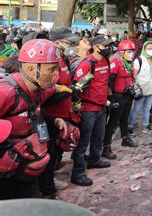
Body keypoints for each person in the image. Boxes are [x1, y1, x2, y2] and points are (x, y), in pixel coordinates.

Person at [0, 39, 70, 199]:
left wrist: (53, 120)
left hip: (25, 168)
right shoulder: (5, 92)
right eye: (52, 69)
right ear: (32, 69)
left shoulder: (40, 89)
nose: (57, 75)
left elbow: (33, 111)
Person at [39, 27, 81, 198]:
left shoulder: (64, 60)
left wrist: (71, 95)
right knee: (47, 155)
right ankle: (47, 190)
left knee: (57, 151)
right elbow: (45, 96)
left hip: (63, 114)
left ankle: (51, 182)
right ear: (56, 43)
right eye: (68, 42)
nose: (71, 45)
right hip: (49, 116)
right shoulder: (49, 64)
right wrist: (68, 91)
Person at [71, 35, 112, 187]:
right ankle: (78, 173)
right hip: (88, 109)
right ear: (96, 47)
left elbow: (105, 82)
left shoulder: (105, 61)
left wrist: (109, 98)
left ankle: (94, 160)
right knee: (83, 142)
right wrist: (77, 105)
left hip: (101, 107)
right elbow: (77, 87)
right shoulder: (87, 64)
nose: (108, 49)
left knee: (98, 137)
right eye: (105, 46)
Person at [102, 40, 138, 160]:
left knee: (124, 119)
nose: (132, 53)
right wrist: (111, 97)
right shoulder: (115, 62)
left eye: (133, 51)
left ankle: (125, 138)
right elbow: (110, 81)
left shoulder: (129, 62)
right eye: (129, 51)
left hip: (127, 95)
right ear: (121, 52)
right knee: (113, 122)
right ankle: (106, 147)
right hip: (118, 95)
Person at [128, 42, 152, 135]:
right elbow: (134, 76)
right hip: (141, 90)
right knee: (136, 109)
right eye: (149, 48)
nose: (151, 50)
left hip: (151, 88)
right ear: (144, 49)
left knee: (147, 109)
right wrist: (136, 87)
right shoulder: (138, 60)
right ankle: (130, 126)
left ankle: (145, 126)